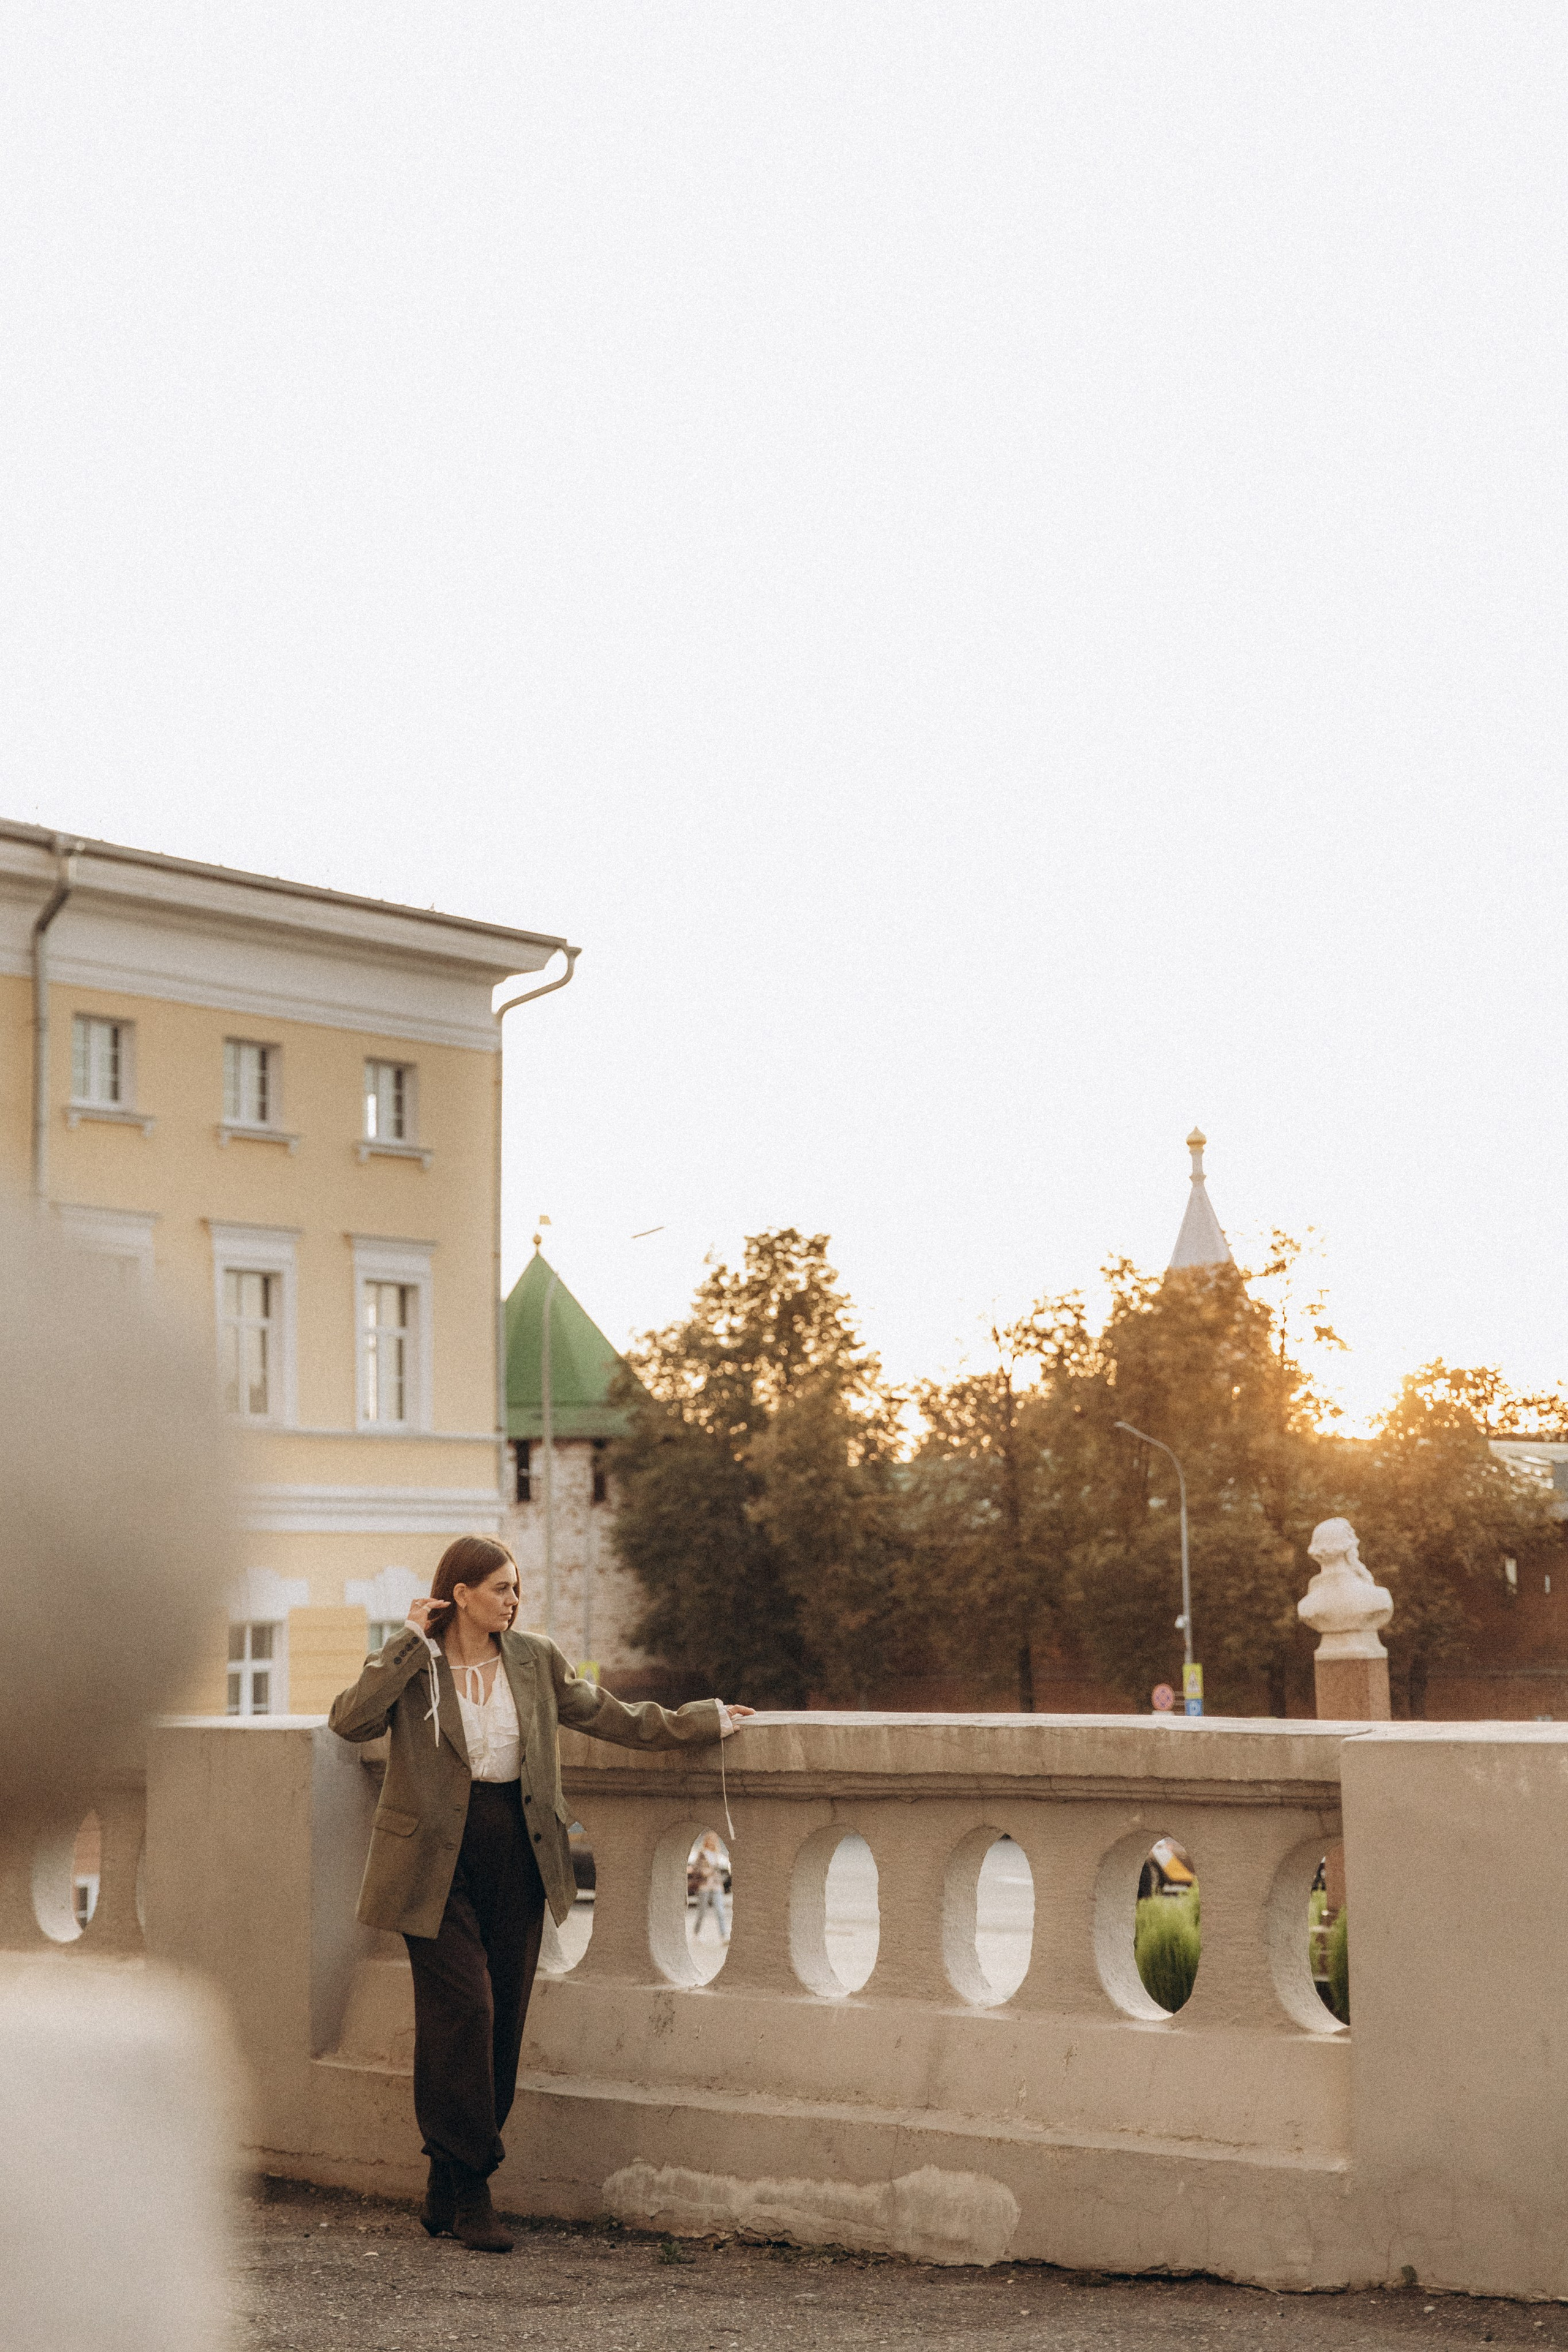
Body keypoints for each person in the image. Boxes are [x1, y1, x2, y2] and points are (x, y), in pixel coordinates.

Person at [328, 1534, 753, 2252]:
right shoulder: (416, 1666)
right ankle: (474, 2189)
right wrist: (406, 1642)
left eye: (517, 1589)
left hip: (517, 1850)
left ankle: (444, 2180)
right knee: (466, 2007)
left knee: (498, 2020)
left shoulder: (533, 1659)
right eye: (501, 1589)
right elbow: (350, 1720)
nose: (514, 1601)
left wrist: (697, 1721)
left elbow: (609, 1714)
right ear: (461, 1595)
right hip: (430, 1862)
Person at [688, 1832, 729, 1942]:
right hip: (704, 1886)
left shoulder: (718, 1855)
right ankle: (696, 1934)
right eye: (710, 1840)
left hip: (716, 1886)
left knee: (720, 1911)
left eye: (714, 1840)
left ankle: (723, 1936)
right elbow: (696, 1869)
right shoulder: (701, 1854)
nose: (712, 1842)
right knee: (702, 1912)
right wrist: (705, 1872)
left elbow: (722, 1870)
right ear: (706, 1841)